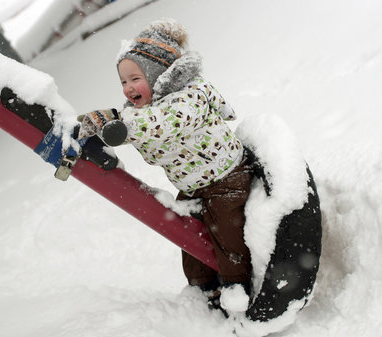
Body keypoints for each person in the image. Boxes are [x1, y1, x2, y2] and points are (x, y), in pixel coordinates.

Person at [78, 19, 253, 309]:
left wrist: (123, 126)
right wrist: (100, 121)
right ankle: (203, 290)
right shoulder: (145, 111)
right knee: (189, 237)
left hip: (227, 181)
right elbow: (136, 122)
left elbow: (161, 125)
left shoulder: (190, 98)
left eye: (135, 79)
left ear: (158, 75)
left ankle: (241, 290)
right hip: (194, 187)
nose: (127, 88)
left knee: (228, 237)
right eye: (123, 81)